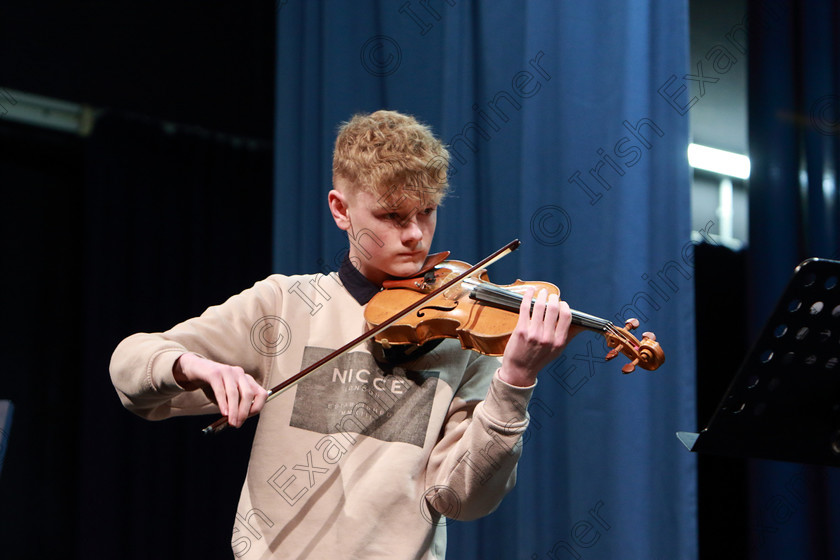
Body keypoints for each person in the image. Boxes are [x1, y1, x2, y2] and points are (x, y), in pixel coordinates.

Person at [110, 110, 576, 559]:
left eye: (428, 212)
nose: (415, 234)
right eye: (393, 216)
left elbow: (463, 498)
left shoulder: (463, 334)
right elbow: (131, 364)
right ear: (341, 210)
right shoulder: (284, 305)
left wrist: (515, 380)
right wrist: (194, 364)